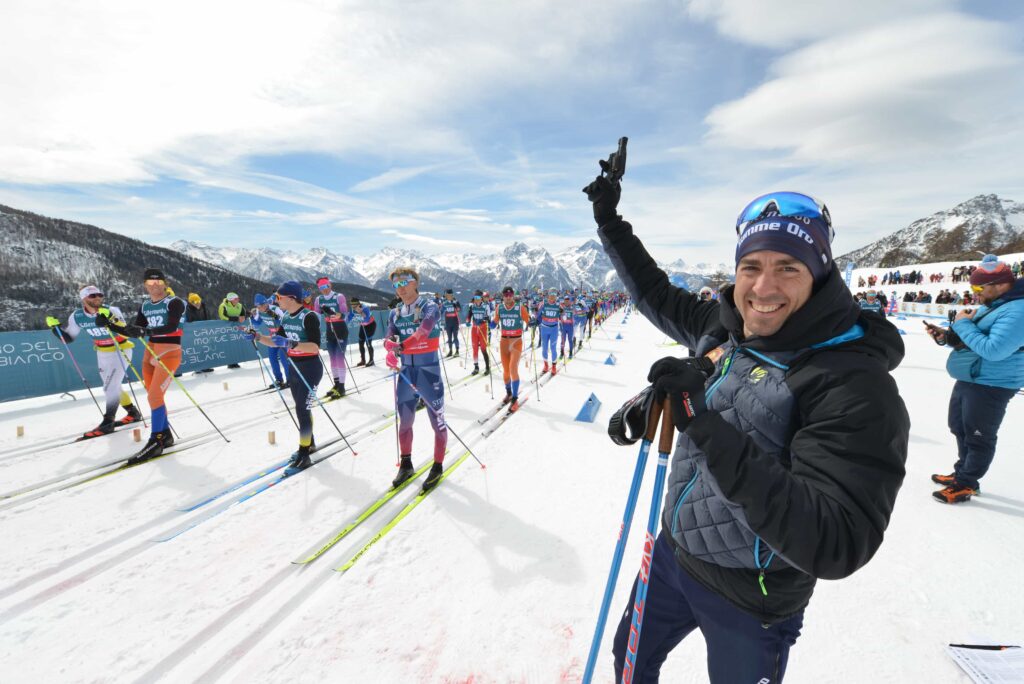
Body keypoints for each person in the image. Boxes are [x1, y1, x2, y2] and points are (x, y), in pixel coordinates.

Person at [583, 175, 909, 682]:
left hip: (752, 596)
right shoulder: (725, 328)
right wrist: (609, 221)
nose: (763, 288)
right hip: (674, 553)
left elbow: (837, 540)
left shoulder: (850, 380)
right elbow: (653, 291)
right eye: (751, 267)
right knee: (630, 659)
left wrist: (705, 427)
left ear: (820, 274)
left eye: (788, 268)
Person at [924, 255, 1024, 503]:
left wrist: (961, 325)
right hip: (973, 376)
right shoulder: (996, 304)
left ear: (1001, 285)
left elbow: (993, 350)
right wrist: (946, 336)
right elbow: (974, 339)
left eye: (979, 289)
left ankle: (967, 483)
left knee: (979, 435)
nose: (975, 293)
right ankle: (962, 472)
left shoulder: (1018, 310)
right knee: (959, 426)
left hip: (993, 383)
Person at [101, 268, 188, 463]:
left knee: (155, 395)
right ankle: (165, 434)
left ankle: (156, 440)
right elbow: (133, 330)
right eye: (150, 282)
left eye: (158, 282)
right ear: (145, 285)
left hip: (169, 351)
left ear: (165, 283)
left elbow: (172, 326)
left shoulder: (174, 302)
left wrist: (146, 331)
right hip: (151, 351)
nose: (154, 286)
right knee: (153, 395)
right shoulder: (146, 305)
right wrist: (109, 325)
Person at [46, 285, 143, 439]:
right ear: (83, 299)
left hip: (120, 349)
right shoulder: (77, 316)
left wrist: (110, 321)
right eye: (92, 296)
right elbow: (68, 338)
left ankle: (108, 422)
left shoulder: (111, 310)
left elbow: (126, 332)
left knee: (110, 386)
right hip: (102, 352)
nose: (97, 298)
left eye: (99, 294)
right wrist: (55, 328)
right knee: (112, 386)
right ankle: (133, 413)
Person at [385, 267, 448, 493]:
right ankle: (406, 464)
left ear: (415, 283)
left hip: (428, 372)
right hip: (406, 373)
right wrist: (390, 350)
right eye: (396, 285)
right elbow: (388, 337)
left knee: (437, 422)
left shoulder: (430, 307)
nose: (400, 288)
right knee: (405, 422)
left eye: (404, 282)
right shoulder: (395, 313)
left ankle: (437, 466)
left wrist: (400, 347)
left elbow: (424, 331)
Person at [249, 281, 322, 471]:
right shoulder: (287, 317)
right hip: (294, 367)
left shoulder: (309, 317)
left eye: (278, 297)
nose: (276, 300)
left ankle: (304, 452)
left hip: (310, 368)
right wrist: (258, 337)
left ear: (291, 298)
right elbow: (275, 342)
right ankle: (309, 443)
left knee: (303, 409)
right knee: (301, 408)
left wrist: (290, 343)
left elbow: (315, 347)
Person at [493, 285, 530, 409]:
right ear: (503, 297)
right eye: (506, 295)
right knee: (506, 371)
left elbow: (528, 320)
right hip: (504, 342)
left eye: (510, 295)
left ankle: (514, 399)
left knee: (513, 368)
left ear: (513, 296)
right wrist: (489, 322)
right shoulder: (499, 308)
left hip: (516, 342)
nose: (508, 297)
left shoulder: (520, 308)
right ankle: (508, 393)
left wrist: (533, 322)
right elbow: (494, 322)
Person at [313, 277, 350, 399]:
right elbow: (316, 317)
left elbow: (345, 315)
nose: (324, 290)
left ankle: (342, 387)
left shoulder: (339, 297)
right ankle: (336, 385)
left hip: (340, 330)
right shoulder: (319, 299)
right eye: (321, 288)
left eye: (326, 286)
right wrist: (313, 328)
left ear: (330, 285)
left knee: (339, 358)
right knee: (332, 359)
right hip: (330, 332)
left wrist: (335, 314)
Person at [250, 293, 287, 388]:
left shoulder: (275, 309)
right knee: (272, 358)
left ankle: (290, 379)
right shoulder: (259, 311)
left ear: (266, 303)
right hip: (272, 337)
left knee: (284, 358)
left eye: (262, 305)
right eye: (258, 306)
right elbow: (257, 323)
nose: (260, 308)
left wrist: (276, 317)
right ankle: (279, 380)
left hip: (282, 336)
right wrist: (251, 316)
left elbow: (286, 321)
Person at [464, 291, 492, 376]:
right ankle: (476, 367)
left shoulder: (486, 306)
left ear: (481, 298)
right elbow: (469, 316)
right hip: (474, 329)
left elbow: (489, 318)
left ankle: (487, 367)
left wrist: (485, 319)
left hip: (482, 329)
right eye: (475, 298)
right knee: (475, 348)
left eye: (478, 298)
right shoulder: (472, 306)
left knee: (483, 349)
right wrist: (467, 321)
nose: (477, 300)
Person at [536, 288, 562, 375]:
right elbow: (538, 315)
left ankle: (554, 366)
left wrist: (562, 314)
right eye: (551, 295)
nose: (552, 297)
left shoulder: (558, 305)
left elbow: (563, 316)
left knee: (553, 348)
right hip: (544, 328)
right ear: (548, 295)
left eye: (554, 295)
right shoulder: (543, 304)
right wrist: (535, 321)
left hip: (554, 329)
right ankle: (546, 365)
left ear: (556, 296)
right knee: (544, 348)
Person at [218, 292, 246, 368]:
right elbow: (223, 316)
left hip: (236, 328)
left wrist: (243, 317)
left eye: (238, 298)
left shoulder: (239, 305)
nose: (238, 300)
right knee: (229, 345)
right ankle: (230, 362)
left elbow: (243, 314)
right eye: (236, 299)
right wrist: (236, 318)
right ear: (231, 300)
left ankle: (235, 361)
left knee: (236, 344)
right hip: (227, 328)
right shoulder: (223, 305)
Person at [347, 298, 378, 367]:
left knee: (368, 343)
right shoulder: (353, 309)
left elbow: (366, 319)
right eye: (352, 306)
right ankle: (363, 360)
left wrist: (360, 312)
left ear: (358, 304)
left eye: (355, 306)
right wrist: (346, 323)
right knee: (360, 342)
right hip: (363, 326)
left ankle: (371, 360)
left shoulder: (365, 308)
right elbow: (349, 317)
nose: (353, 308)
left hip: (370, 325)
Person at [441, 289, 462, 358]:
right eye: (447, 295)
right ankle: (450, 351)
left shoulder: (456, 301)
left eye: (450, 295)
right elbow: (441, 311)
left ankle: (457, 351)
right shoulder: (444, 302)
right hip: (448, 322)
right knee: (449, 338)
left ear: (452, 295)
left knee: (455, 337)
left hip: (455, 322)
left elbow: (459, 309)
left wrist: (456, 305)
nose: (448, 296)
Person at [558, 295, 576, 359]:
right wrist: (560, 316)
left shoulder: (572, 307)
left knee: (570, 340)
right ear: (564, 301)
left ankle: (570, 352)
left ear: (569, 301)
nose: (567, 301)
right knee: (563, 340)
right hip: (563, 326)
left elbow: (575, 314)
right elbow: (559, 315)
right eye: (566, 300)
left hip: (570, 326)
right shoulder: (562, 307)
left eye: (568, 300)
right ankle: (562, 352)